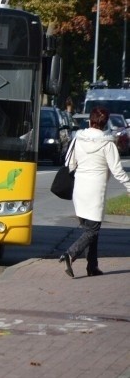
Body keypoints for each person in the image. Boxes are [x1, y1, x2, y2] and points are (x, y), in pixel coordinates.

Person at [58, 107, 130, 278]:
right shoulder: (108, 144)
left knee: (89, 230)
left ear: (90, 121)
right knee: (92, 231)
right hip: (95, 190)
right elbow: (117, 170)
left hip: (80, 189)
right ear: (105, 124)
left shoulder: (78, 139)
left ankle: (92, 266)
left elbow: (71, 165)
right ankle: (70, 254)